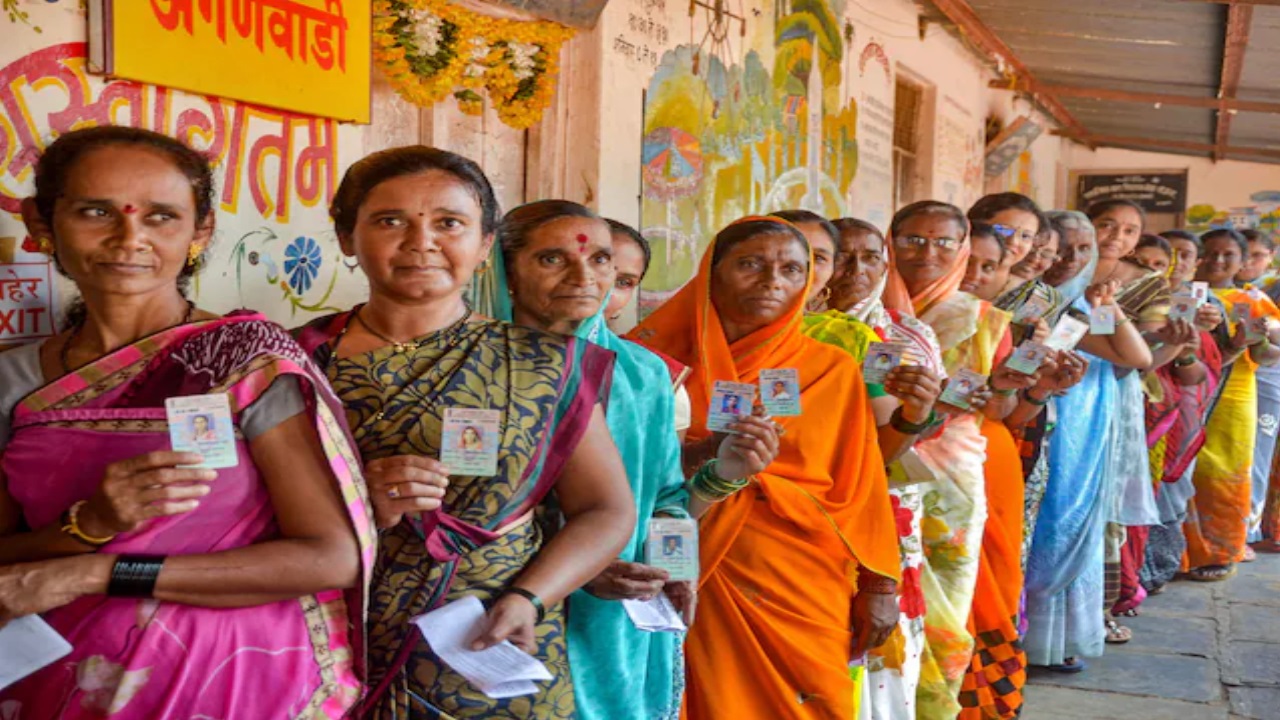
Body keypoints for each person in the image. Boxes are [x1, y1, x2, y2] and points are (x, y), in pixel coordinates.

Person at [0, 126, 374, 718]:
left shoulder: (246, 359)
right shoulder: (11, 382)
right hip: (57, 683)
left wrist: (96, 571)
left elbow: (329, 556)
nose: (129, 238)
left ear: (199, 231)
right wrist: (89, 524)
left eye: (161, 217)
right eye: (96, 211)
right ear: (42, 222)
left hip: (234, 685)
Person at [295, 146, 637, 719]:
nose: (420, 241)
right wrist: (355, 506)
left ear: (483, 246)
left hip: (495, 647)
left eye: (448, 223)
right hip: (325, 640)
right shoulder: (291, 360)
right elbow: (240, 513)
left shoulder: (543, 364)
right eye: (389, 221)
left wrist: (531, 598)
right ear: (347, 238)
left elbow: (605, 510)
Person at [497, 199, 779, 720]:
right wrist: (580, 569)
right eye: (553, 260)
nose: (585, 277)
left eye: (601, 261)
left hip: (611, 625)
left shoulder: (643, 375)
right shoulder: (474, 367)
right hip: (496, 602)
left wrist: (675, 569)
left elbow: (667, 498)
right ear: (506, 270)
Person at [630, 216, 901, 720]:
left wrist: (879, 586)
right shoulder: (648, 361)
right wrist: (703, 456)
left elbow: (862, 485)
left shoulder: (831, 368)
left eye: (791, 269)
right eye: (750, 264)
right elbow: (623, 472)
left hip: (801, 582)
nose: (772, 280)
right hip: (682, 565)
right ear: (712, 272)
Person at [882, 201, 1046, 718]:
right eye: (912, 240)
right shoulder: (864, 311)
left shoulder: (984, 319)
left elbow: (997, 408)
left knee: (946, 609)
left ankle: (939, 706)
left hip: (950, 482)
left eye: (943, 242)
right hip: (875, 468)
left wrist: (1007, 388)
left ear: (961, 248)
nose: (927, 252)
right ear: (892, 242)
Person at [803, 216, 944, 720]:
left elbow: (915, 430)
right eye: (840, 255)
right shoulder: (771, 328)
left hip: (883, 498)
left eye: (871, 257)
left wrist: (916, 414)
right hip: (801, 508)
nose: (854, 269)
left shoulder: (902, 333)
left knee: (876, 633)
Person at [1024, 206, 1156, 673]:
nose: (1071, 259)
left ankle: (1055, 640)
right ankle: (1028, 637)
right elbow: (1133, 353)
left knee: (1071, 526)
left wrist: (1108, 306)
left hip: (1085, 428)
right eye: (1062, 248)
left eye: (1085, 250)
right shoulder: (1042, 304)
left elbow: (1132, 357)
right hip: (1050, 424)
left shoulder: (1081, 305)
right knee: (1047, 527)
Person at [1184, 228, 1280, 582]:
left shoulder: (1254, 300)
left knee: (1225, 470)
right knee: (1182, 466)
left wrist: (1256, 338)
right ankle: (1177, 550)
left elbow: (1267, 354)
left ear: (1241, 261)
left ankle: (1220, 550)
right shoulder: (1181, 293)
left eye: (1229, 255)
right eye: (1209, 253)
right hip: (1184, 391)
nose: (1218, 261)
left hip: (1235, 392)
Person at [1136, 231, 1224, 597]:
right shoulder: (1109, 308)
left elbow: (1197, 375)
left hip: (1167, 422)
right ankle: (1126, 578)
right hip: (1121, 416)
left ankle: (1151, 570)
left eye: (1162, 265)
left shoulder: (1193, 312)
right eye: (1145, 264)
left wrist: (1183, 347)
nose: (1154, 272)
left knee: (1161, 494)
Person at [603, 219, 694, 440]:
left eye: (623, 282)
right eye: (554, 261)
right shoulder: (505, 361)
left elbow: (664, 472)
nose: (594, 286)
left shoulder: (654, 377)